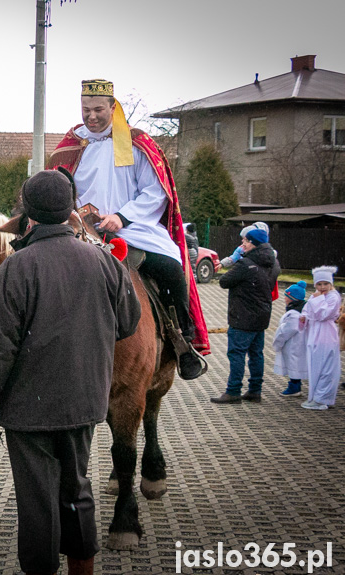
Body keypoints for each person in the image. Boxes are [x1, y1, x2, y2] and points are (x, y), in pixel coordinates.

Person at [0, 169, 140, 575]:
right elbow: (128, 323)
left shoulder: (15, 268)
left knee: (37, 503)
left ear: (27, 212)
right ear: (70, 209)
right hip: (84, 401)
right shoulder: (105, 261)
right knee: (78, 490)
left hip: (29, 410)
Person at [48, 79, 208, 380]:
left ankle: (183, 341)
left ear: (113, 107)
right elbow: (58, 191)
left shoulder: (136, 143)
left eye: (98, 110)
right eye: (86, 110)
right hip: (81, 230)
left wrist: (121, 217)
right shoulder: (70, 146)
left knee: (171, 267)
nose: (91, 116)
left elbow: (155, 192)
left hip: (134, 228)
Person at [211, 228, 280, 403]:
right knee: (257, 354)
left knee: (237, 354)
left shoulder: (246, 264)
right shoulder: (274, 263)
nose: (242, 244)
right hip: (262, 315)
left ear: (254, 243)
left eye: (246, 241)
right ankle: (255, 390)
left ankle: (233, 391)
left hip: (242, 316)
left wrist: (239, 264)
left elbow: (224, 281)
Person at [298, 266, 341, 410]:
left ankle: (322, 398)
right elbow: (308, 309)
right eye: (319, 284)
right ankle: (316, 395)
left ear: (331, 284)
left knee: (326, 366)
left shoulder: (333, 297)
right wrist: (304, 317)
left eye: (325, 284)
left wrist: (318, 300)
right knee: (316, 365)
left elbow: (324, 314)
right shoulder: (316, 295)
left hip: (326, 333)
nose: (322, 287)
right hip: (314, 333)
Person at [272, 281, 308, 397]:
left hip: (294, 345)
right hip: (298, 343)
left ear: (292, 298)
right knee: (296, 365)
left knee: (294, 366)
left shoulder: (293, 314)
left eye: (286, 296)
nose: (285, 299)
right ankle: (295, 385)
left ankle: (294, 387)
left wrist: (278, 343)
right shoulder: (301, 310)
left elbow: (286, 331)